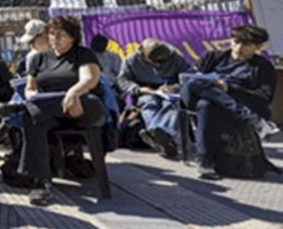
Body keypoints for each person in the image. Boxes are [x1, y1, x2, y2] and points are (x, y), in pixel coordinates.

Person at [0, 15, 106, 206]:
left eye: (61, 35)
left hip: (82, 105)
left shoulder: (83, 54)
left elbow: (89, 80)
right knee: (32, 117)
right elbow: (30, 89)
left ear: (73, 37)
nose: (54, 38)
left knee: (31, 111)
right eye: (52, 34)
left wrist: (73, 93)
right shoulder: (39, 58)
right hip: (49, 111)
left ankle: (20, 108)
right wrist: (31, 97)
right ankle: (41, 184)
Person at [180, 25, 279, 180]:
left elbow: (263, 98)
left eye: (246, 44)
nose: (239, 47)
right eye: (236, 41)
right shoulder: (213, 57)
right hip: (195, 97)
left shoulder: (262, 67)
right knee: (194, 83)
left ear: (258, 47)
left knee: (206, 105)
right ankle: (253, 120)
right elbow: (189, 80)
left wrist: (228, 88)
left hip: (220, 106)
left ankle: (204, 162)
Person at [116, 39, 192, 157]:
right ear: (144, 56)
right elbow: (123, 80)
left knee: (170, 105)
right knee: (148, 103)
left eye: (161, 63)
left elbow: (188, 76)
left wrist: (174, 87)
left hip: (169, 90)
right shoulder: (131, 60)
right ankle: (159, 135)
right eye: (154, 63)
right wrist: (139, 89)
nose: (158, 65)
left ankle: (161, 134)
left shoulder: (175, 58)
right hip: (145, 90)